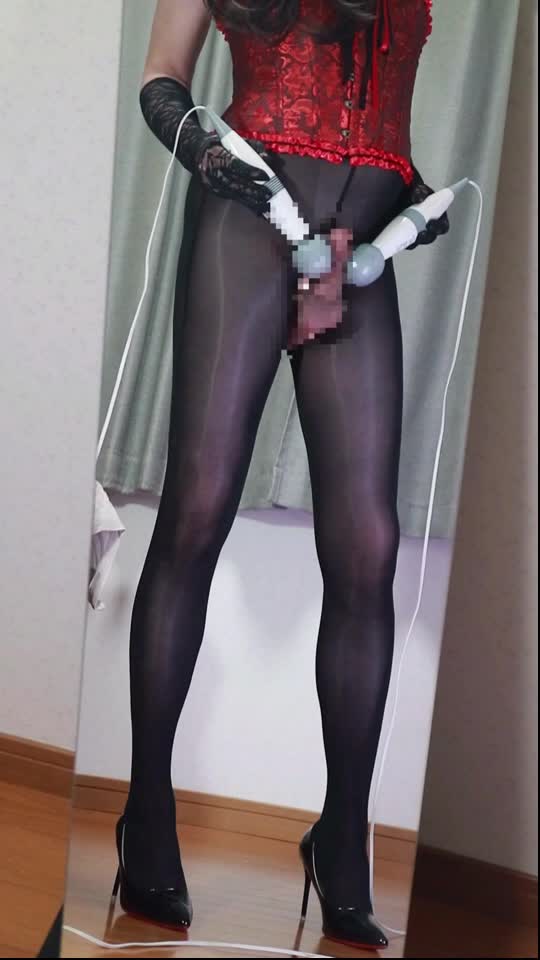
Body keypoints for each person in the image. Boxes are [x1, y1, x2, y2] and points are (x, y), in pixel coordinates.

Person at [111, 0, 449, 950]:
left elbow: (380, 103)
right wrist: (219, 161)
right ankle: (147, 811)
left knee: (368, 543)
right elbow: (161, 76)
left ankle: (341, 837)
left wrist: (408, 195)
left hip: (360, 249)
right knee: (198, 507)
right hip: (249, 222)